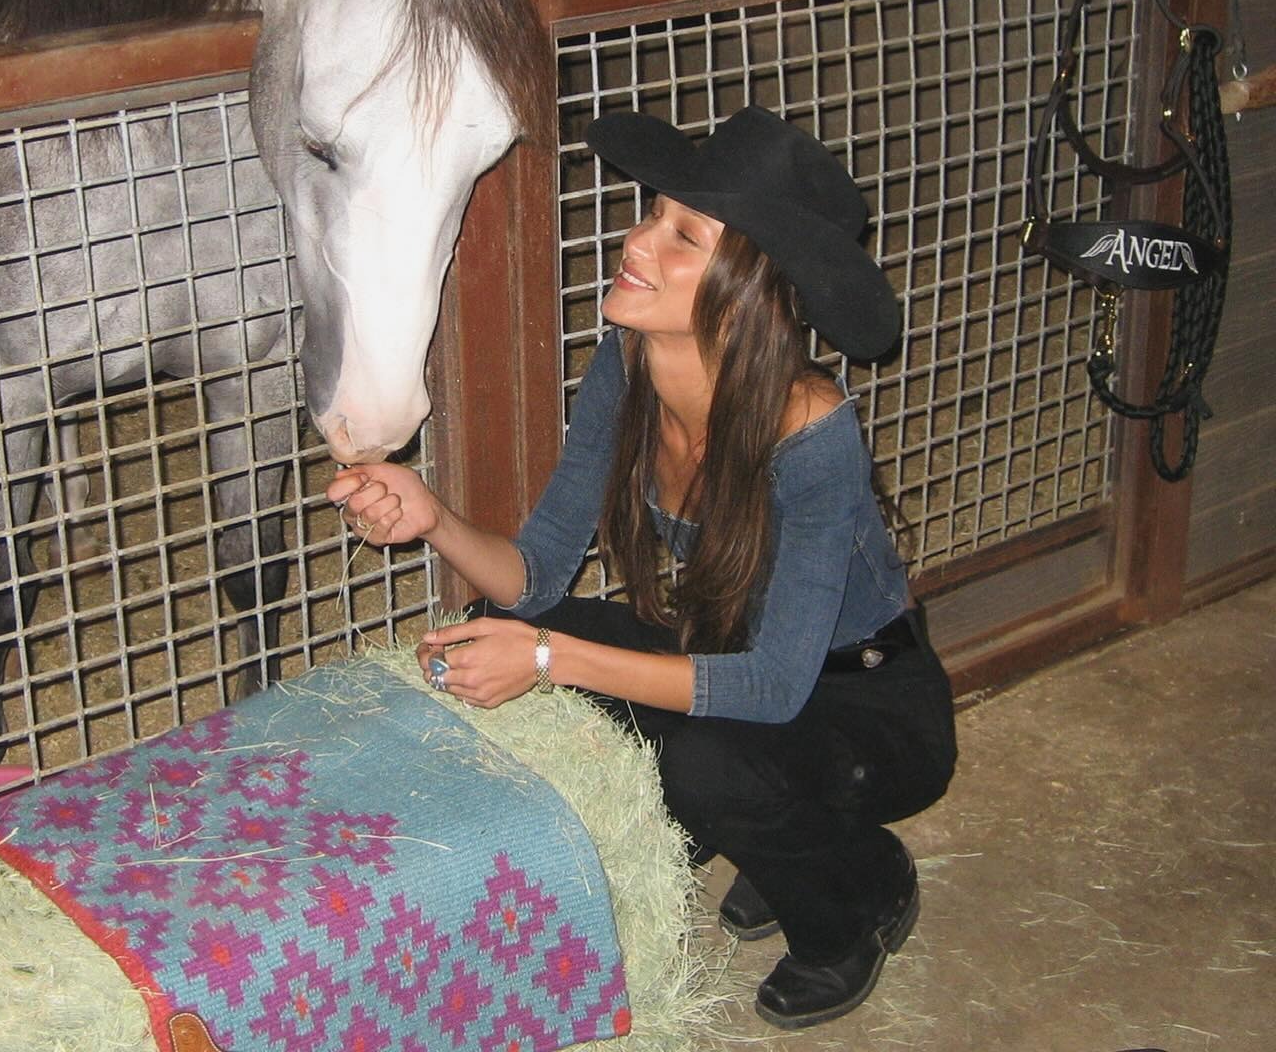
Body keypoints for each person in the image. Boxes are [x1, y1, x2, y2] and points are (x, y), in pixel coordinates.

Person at [327, 105, 957, 1029]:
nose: (639, 241)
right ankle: (777, 839)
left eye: (683, 236)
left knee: (709, 765)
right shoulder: (625, 365)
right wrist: (434, 518)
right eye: (652, 213)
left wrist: (549, 663)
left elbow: (777, 686)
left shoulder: (812, 428)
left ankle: (859, 891)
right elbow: (537, 575)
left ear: (747, 287)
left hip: (862, 702)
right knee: (501, 630)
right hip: (727, 655)